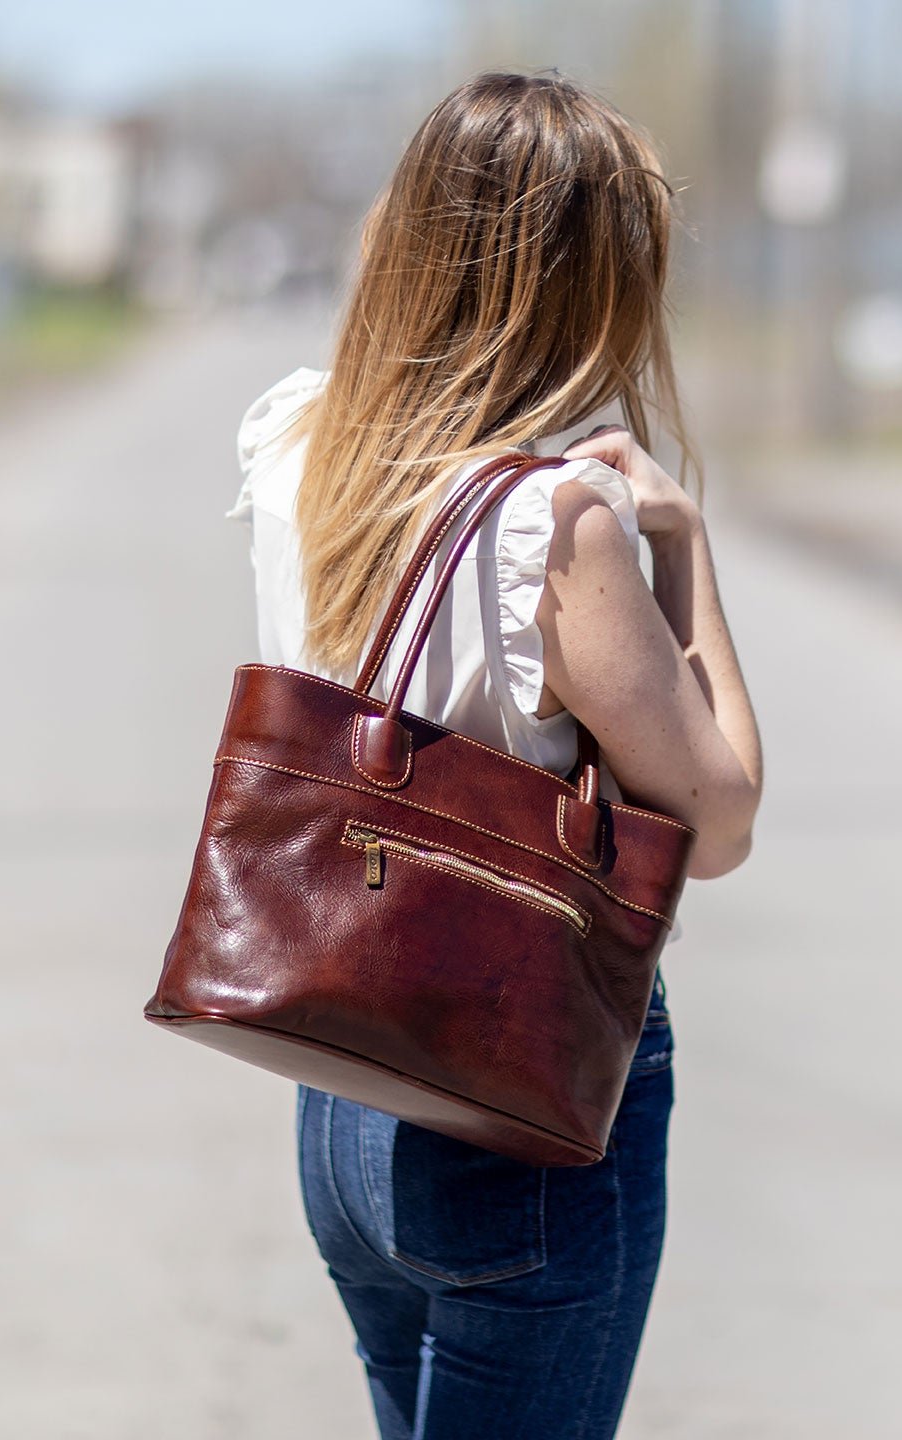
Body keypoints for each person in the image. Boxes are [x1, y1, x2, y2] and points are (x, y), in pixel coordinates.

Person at [225, 70, 762, 1440]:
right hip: (516, 1109)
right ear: (588, 284)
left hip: (341, 1083)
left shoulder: (302, 440)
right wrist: (684, 554)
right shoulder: (556, 527)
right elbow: (723, 813)